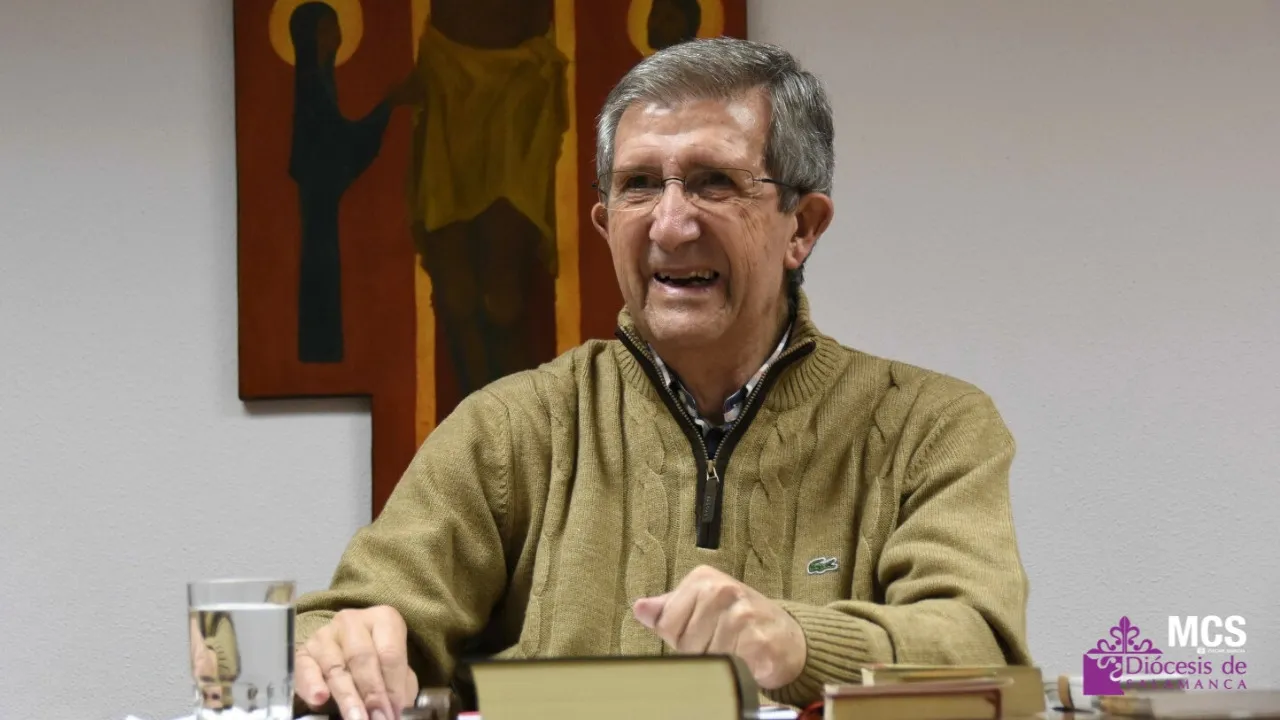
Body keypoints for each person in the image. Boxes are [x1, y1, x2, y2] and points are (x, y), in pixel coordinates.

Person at [291, 37, 1032, 720]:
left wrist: (799, 644)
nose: (671, 226)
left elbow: (981, 648)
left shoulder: (931, 426)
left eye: (715, 183)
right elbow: (329, 629)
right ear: (606, 224)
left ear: (803, 227)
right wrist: (343, 647)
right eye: (640, 185)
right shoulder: (507, 429)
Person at [403, 0, 567, 400]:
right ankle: (477, 418)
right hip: (446, 74)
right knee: (456, 290)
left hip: (520, 85)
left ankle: (520, 419)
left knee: (502, 296)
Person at [287, 1, 415, 364]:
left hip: (321, 198)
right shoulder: (312, 87)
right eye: (330, 28)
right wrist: (388, 105)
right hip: (319, 199)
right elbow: (337, 146)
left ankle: (322, 349)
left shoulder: (320, 82)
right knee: (321, 269)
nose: (338, 35)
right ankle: (321, 350)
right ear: (313, 36)